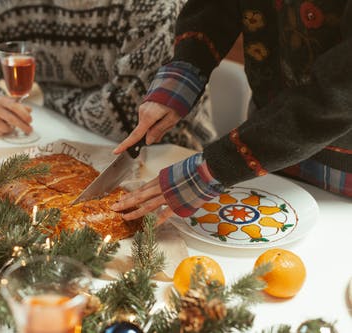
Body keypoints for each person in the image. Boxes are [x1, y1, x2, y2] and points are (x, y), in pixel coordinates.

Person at [112, 0, 352, 223]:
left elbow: (339, 94)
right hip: (264, 148)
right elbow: (215, 8)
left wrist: (220, 165)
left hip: (342, 171)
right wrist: (179, 80)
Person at [0, 0, 216, 150]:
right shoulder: (14, 5)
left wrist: (50, 98)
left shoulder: (156, 6)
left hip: (170, 158)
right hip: (66, 145)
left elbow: (128, 118)